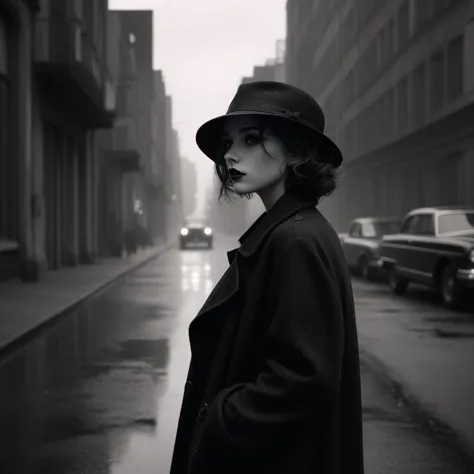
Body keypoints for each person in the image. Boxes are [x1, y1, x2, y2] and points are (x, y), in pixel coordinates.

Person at [170, 81, 364, 474]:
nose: (231, 154)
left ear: (296, 151)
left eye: (252, 139)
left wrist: (222, 419)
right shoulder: (291, 231)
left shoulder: (295, 240)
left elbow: (304, 375)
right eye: (227, 143)